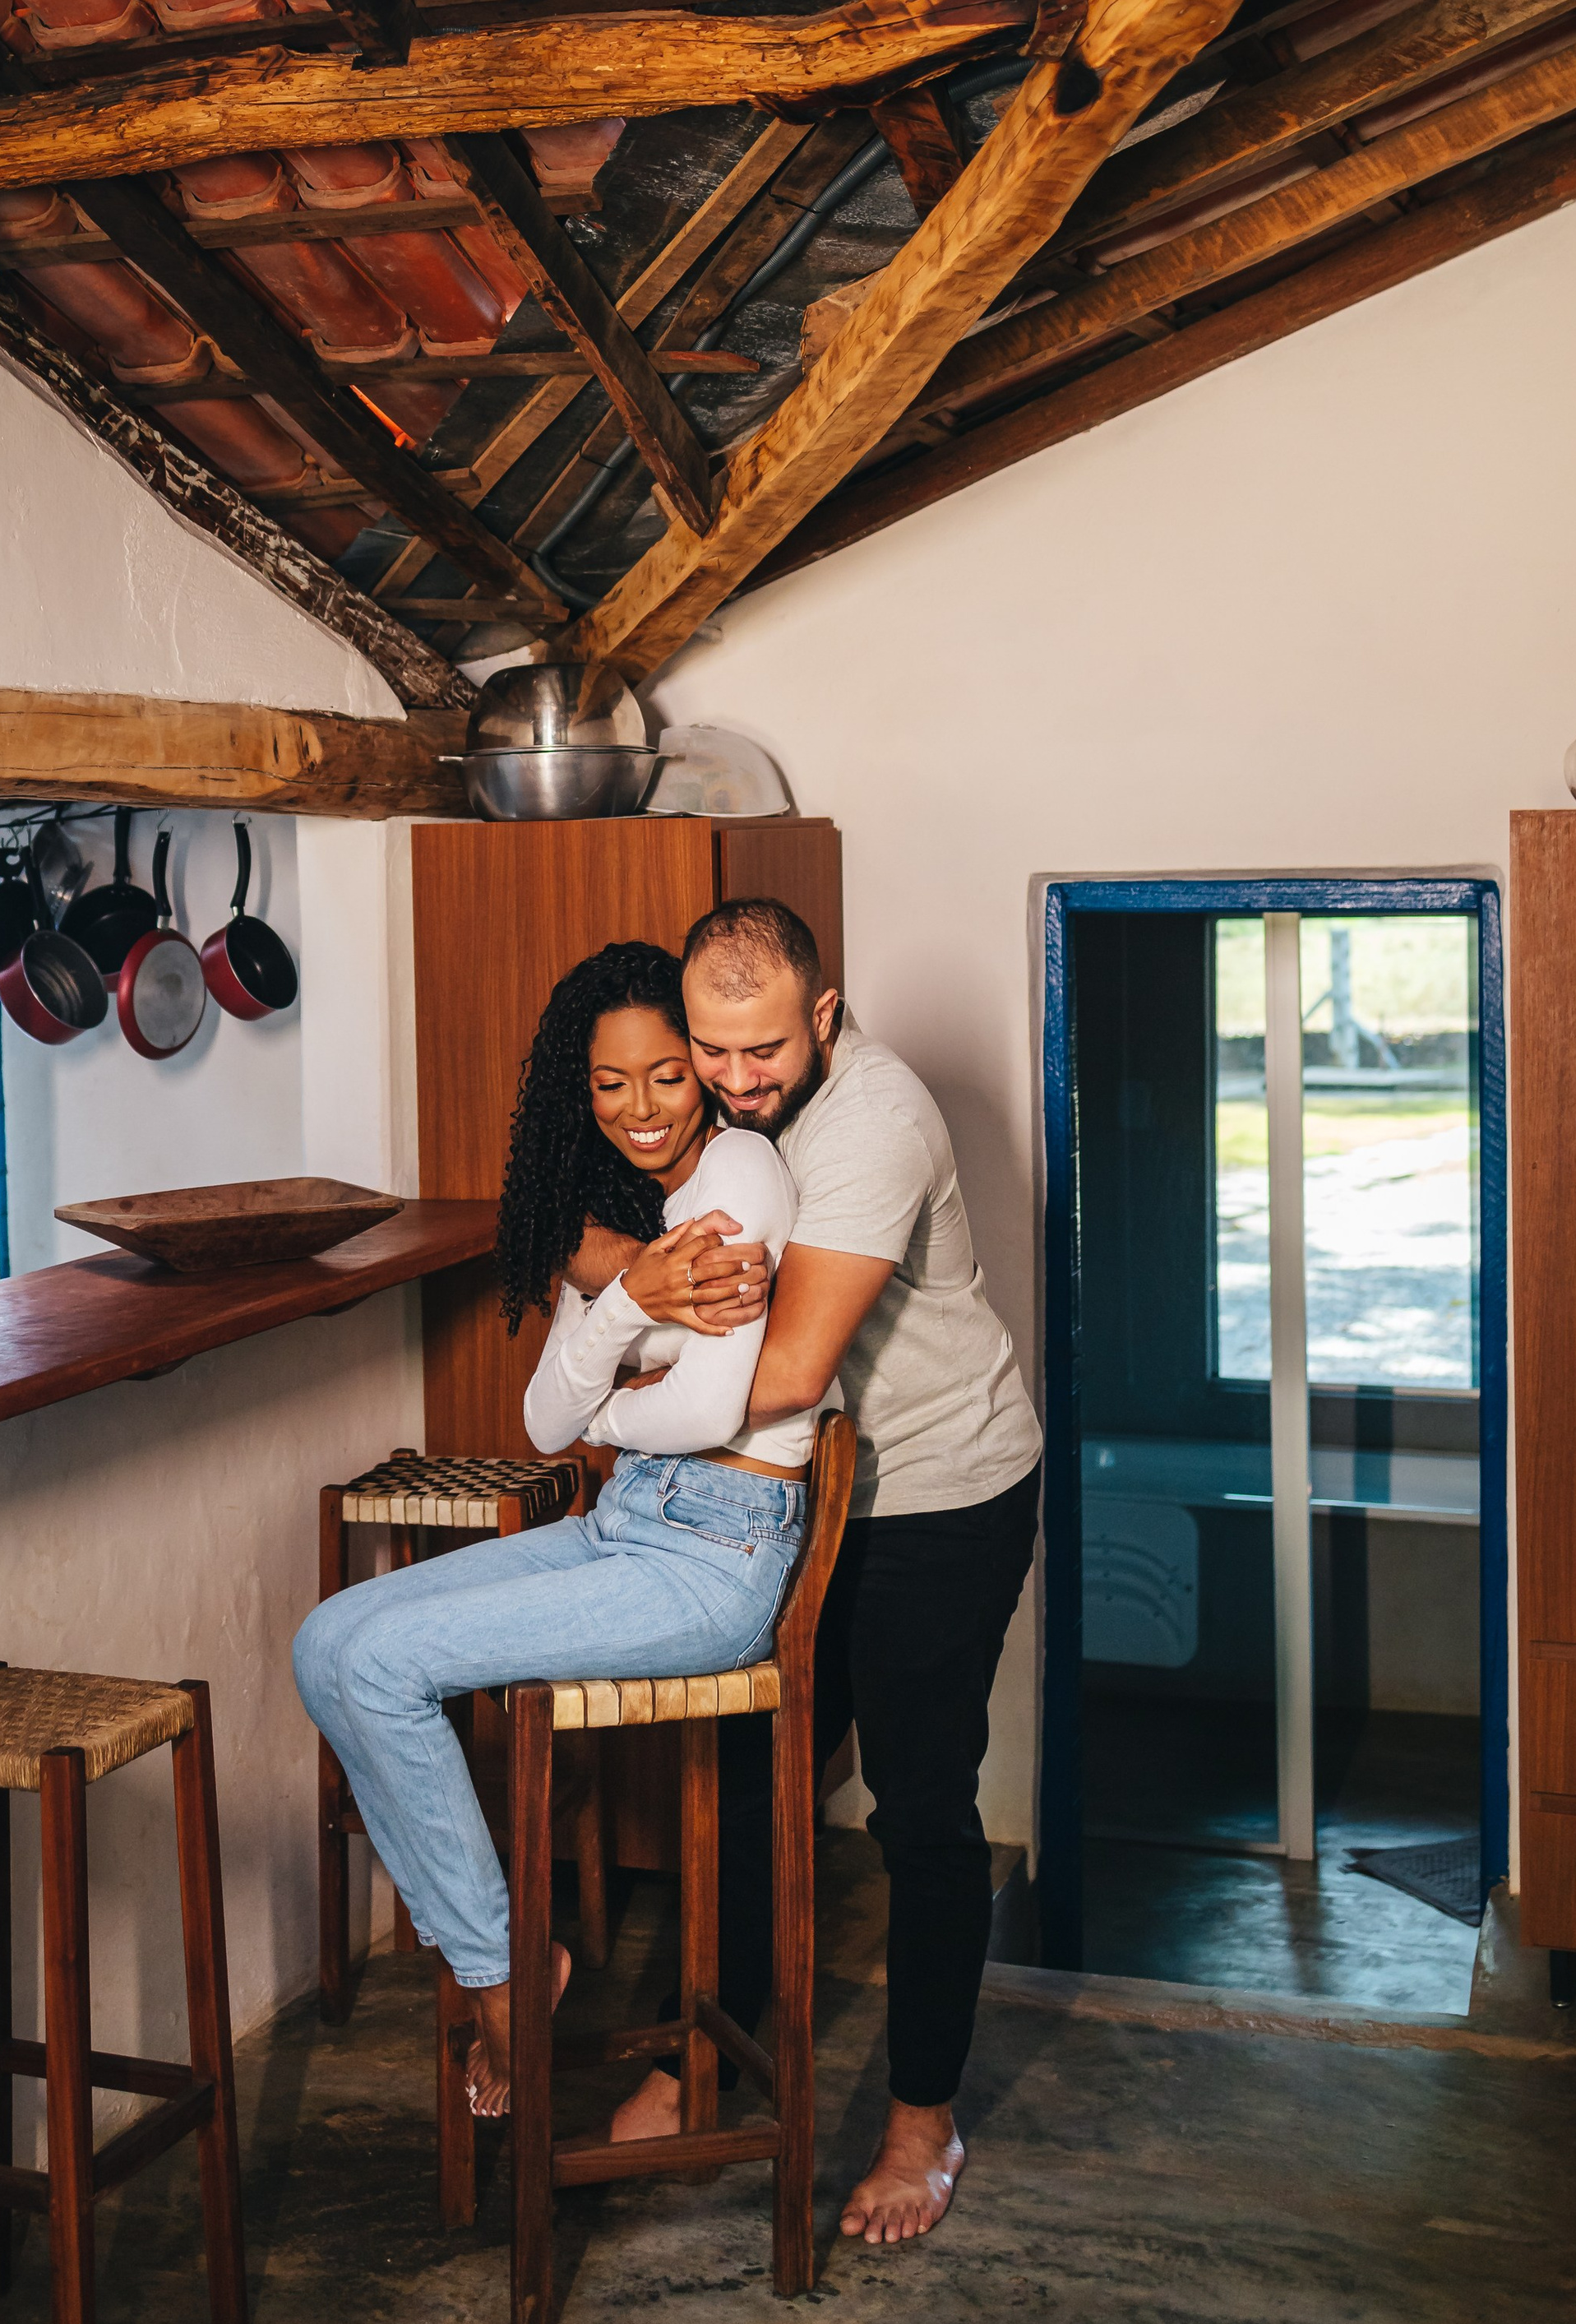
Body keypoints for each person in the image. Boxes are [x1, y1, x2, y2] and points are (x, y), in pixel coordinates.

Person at [572, 900, 1042, 2246]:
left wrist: (602, 1373)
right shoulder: (729, 1114)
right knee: (752, 1772)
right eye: (711, 1053)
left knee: (920, 1810)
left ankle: (921, 2120)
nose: (732, 1082)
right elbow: (596, 1234)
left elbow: (777, 1371)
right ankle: (700, 2051)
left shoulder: (870, 1123)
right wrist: (635, 1282)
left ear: (823, 1018)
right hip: (805, 1497)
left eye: (763, 1050)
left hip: (939, 1499)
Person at [292, 939, 828, 2118]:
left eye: (666, 1076)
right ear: (577, 1093)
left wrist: (619, 1391)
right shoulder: (627, 1213)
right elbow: (545, 1424)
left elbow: (706, 1406)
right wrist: (632, 1298)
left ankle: (499, 1971)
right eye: (609, 1084)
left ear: (702, 1069)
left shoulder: (739, 1171)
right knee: (328, 1643)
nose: (641, 1108)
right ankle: (501, 1957)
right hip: (631, 1520)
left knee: (381, 1664)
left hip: (715, 1559)